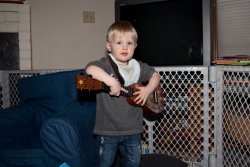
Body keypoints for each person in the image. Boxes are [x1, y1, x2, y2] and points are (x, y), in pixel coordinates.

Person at [85, 21, 160, 167]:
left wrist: (147, 89)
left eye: (129, 43)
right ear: (109, 46)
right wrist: (111, 82)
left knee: (133, 163)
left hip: (134, 129)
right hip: (108, 130)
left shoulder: (138, 66)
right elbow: (90, 69)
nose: (125, 47)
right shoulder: (106, 64)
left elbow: (155, 76)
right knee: (104, 163)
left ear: (135, 46)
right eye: (119, 42)